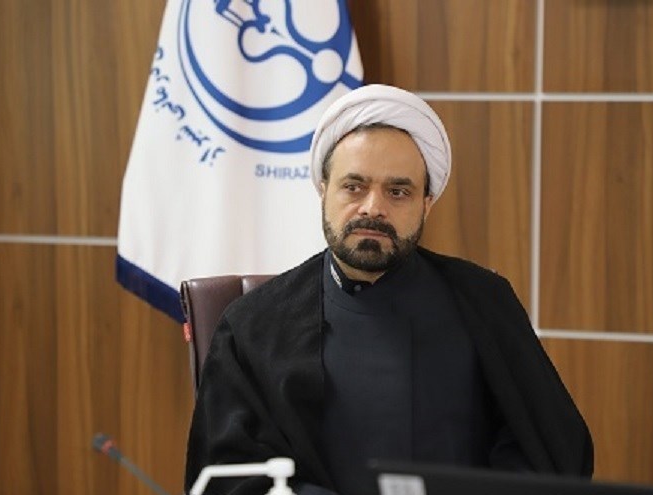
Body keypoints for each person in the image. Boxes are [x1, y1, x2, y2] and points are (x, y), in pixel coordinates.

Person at [184, 84, 593, 495]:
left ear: (426, 203)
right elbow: (230, 476)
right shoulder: (254, 324)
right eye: (354, 186)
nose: (373, 208)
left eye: (398, 192)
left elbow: (549, 451)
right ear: (323, 190)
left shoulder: (483, 301)